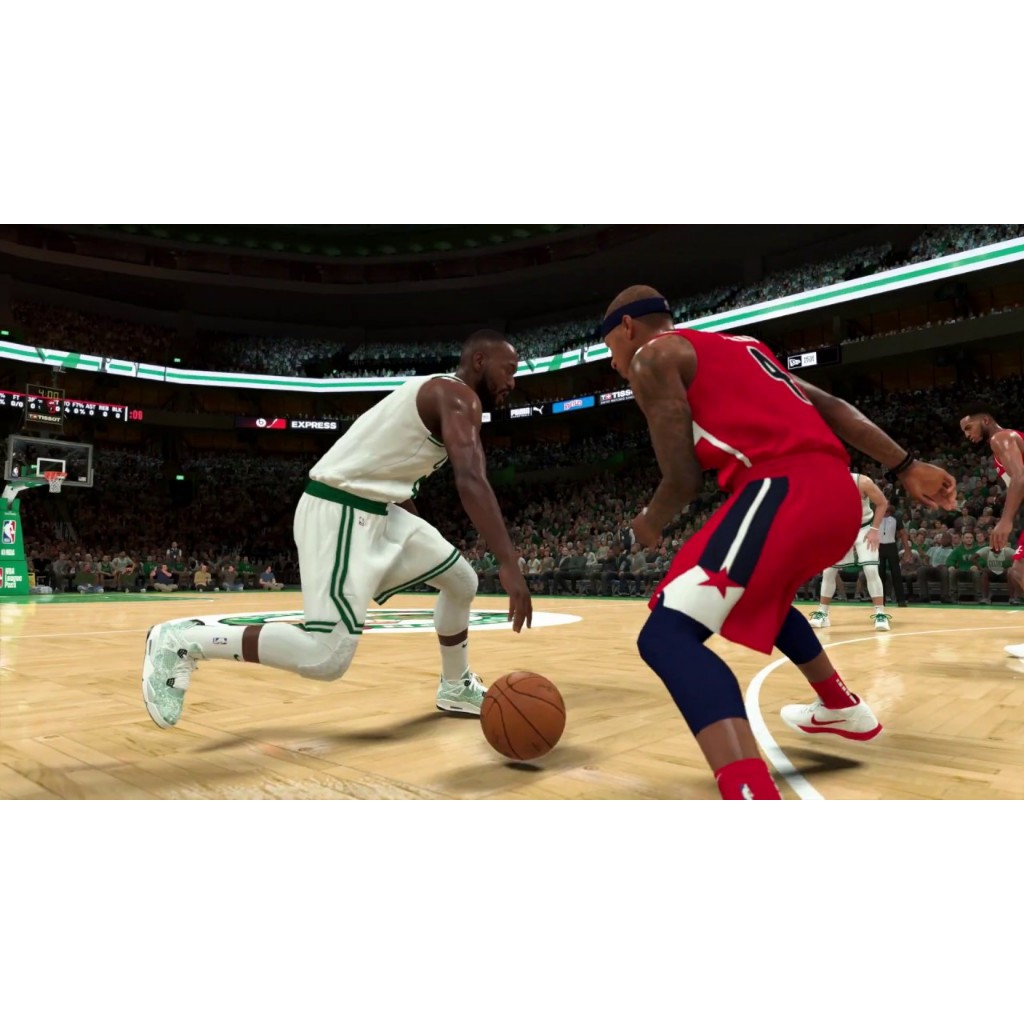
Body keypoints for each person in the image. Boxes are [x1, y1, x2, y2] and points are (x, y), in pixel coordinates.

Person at [602, 285, 957, 800]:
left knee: (666, 638)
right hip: (838, 495)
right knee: (762, 595)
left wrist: (648, 523)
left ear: (627, 327)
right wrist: (905, 465)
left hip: (781, 490)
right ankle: (839, 704)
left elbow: (682, 479)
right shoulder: (745, 346)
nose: (612, 360)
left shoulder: (650, 357)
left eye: (607, 345)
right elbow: (833, 407)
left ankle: (750, 793)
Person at [142, 330, 533, 729]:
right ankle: (183, 641)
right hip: (342, 509)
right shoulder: (459, 397)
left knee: (461, 581)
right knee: (325, 657)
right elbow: (471, 478)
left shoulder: (435, 392)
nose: (513, 382)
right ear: (480, 361)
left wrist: (417, 536)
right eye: (509, 370)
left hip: (378, 509)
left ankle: (455, 685)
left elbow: (388, 469)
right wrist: (508, 562)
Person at [959, 406, 1024, 654]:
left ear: (985, 420)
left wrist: (1006, 520)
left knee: (1019, 569)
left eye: (969, 427)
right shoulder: (1009, 439)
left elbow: (1020, 477)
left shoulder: (1001, 437)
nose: (967, 435)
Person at [808, 471, 892, 630]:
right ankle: (823, 613)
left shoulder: (862, 482)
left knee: (871, 569)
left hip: (864, 528)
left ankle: (880, 614)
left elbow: (882, 503)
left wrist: (874, 530)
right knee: (828, 571)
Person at [877, 503, 911, 607]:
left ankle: (901, 600)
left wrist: (907, 550)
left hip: (891, 546)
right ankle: (880, 601)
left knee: (896, 573)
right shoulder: (876, 516)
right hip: (879, 547)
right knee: (880, 574)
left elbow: (903, 534)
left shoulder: (896, 518)